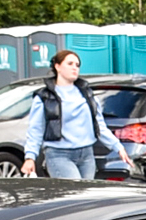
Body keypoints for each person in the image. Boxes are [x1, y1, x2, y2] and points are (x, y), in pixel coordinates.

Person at [19, 50, 115, 181]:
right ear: (57, 66)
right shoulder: (44, 97)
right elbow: (35, 129)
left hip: (86, 154)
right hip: (59, 154)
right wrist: (30, 157)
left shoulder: (87, 94)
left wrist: (118, 147)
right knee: (74, 193)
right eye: (70, 63)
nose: (75, 67)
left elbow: (100, 126)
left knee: (87, 197)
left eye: (77, 65)